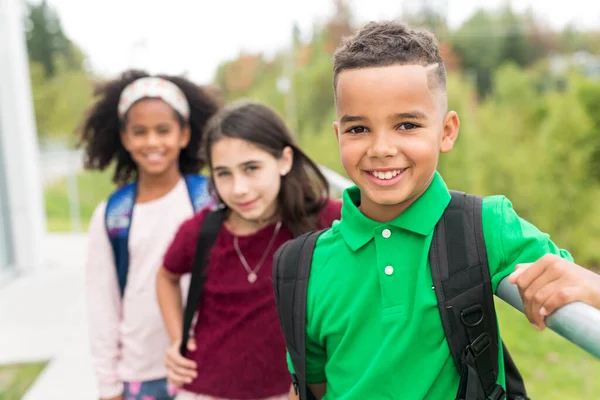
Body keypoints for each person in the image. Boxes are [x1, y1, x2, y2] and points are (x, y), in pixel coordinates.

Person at [283, 21, 595, 399]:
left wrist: (593, 286)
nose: (381, 148)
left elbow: (571, 285)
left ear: (446, 131)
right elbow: (312, 386)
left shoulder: (486, 226)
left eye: (407, 125)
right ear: (338, 136)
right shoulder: (304, 266)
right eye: (358, 129)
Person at [155, 102, 342, 400]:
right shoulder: (202, 231)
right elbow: (166, 276)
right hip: (206, 389)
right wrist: (178, 337)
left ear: (284, 160)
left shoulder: (329, 221)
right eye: (223, 173)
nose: (239, 188)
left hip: (294, 391)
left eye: (251, 168)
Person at [81, 69, 220, 400]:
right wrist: (108, 385)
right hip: (140, 374)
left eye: (163, 130)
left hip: (204, 366)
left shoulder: (211, 199)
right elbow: (103, 304)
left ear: (184, 134)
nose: (153, 142)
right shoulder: (113, 215)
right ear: (126, 138)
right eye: (140, 132)